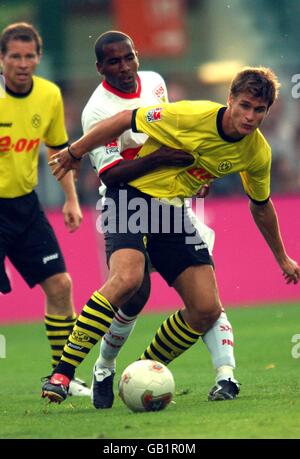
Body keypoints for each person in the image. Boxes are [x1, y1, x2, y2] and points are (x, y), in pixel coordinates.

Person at [42, 34, 240, 407]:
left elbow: (177, 133)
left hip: (168, 201)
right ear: (100, 68)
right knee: (131, 284)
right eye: (113, 62)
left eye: (128, 58)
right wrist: (162, 159)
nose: (123, 67)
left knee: (205, 307)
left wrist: (194, 174)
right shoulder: (97, 109)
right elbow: (111, 176)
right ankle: (71, 371)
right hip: (125, 200)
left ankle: (140, 369)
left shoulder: (155, 83)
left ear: (137, 56)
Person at [0, 22, 90, 396]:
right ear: (2, 59)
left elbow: (58, 151)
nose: (22, 64)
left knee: (61, 285)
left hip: (25, 205)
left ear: (38, 58)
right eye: (14, 56)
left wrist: (70, 197)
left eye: (29, 56)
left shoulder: (49, 95)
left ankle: (62, 378)